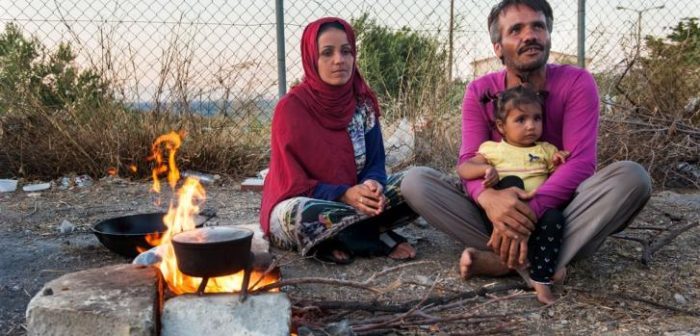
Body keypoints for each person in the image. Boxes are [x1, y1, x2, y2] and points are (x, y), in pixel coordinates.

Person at [401, 0, 651, 301]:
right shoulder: (479, 92)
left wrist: (524, 216)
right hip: (493, 214)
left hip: (560, 214)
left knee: (632, 178)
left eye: (538, 27)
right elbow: (468, 163)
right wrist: (488, 198)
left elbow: (581, 164)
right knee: (415, 182)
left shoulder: (577, 82)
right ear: (498, 47)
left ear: (548, 36)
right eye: (516, 30)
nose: (529, 35)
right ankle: (543, 265)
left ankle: (501, 261)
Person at [260, 17, 417, 265]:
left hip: (356, 201)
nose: (339, 60)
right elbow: (293, 182)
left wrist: (372, 185)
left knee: (416, 184)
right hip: (308, 203)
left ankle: (344, 236)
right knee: (301, 215)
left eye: (346, 51)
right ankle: (375, 236)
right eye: (327, 53)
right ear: (312, 58)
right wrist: (343, 194)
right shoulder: (291, 109)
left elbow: (376, 162)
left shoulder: (363, 104)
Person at [458, 85, 570, 304]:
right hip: (502, 220)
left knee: (555, 217)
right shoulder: (492, 150)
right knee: (510, 183)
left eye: (537, 119)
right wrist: (485, 170)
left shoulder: (545, 150)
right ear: (501, 126)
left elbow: (559, 180)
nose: (531, 126)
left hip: (536, 218)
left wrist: (559, 163)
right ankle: (538, 268)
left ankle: (539, 277)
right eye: (521, 120)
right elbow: (464, 169)